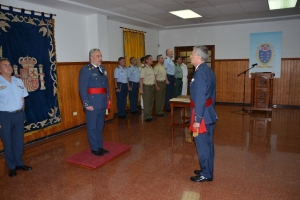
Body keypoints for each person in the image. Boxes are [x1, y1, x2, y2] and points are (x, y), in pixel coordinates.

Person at [189, 46, 217, 182]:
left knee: (203, 145)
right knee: (208, 144)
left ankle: (206, 174)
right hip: (208, 113)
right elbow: (212, 95)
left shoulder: (200, 73)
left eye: (192, 54)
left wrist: (197, 119)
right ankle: (207, 168)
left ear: (198, 57)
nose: (190, 56)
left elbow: (200, 97)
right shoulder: (208, 70)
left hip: (202, 116)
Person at [0, 57, 32, 177]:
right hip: (4, 116)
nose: (8, 67)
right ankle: (11, 166)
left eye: (9, 64)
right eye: (4, 65)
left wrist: (22, 114)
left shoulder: (18, 81)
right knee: (8, 142)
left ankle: (19, 163)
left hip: (18, 114)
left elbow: (23, 99)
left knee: (19, 141)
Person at [79, 49, 110, 156]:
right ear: (91, 58)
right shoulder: (85, 70)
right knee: (92, 127)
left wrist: (107, 100)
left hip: (102, 102)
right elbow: (82, 89)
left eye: (100, 56)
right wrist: (87, 104)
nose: (100, 58)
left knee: (100, 126)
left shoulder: (103, 69)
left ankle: (100, 146)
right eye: (97, 56)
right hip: (92, 103)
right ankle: (94, 148)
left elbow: (106, 86)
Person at [140, 55, 155, 122]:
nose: (152, 60)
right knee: (147, 102)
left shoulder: (151, 68)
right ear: (147, 60)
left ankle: (150, 115)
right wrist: (141, 89)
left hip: (152, 86)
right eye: (150, 59)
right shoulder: (144, 68)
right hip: (146, 86)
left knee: (151, 101)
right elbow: (141, 79)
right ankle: (146, 117)